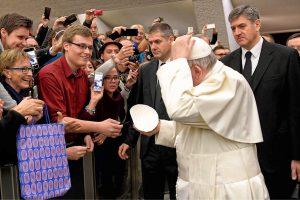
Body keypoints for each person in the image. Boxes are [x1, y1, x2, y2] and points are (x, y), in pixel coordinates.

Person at [137, 35, 269, 199]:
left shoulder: (228, 82)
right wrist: (159, 128)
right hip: (201, 182)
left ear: (197, 71)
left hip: (226, 186)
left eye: (184, 75)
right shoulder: (211, 78)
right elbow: (201, 126)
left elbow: (179, 110)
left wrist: (176, 65)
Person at [37, 24, 133, 198]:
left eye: (89, 47)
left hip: (79, 149)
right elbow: (61, 123)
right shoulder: (49, 74)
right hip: (55, 154)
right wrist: (98, 127)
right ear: (66, 45)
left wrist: (92, 105)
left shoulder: (82, 75)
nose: (87, 52)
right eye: (81, 46)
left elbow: (81, 112)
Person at [221, 5, 300, 198]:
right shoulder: (226, 63)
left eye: (242, 26)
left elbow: (295, 108)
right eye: (233, 28)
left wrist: (297, 156)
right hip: (240, 154)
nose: (237, 32)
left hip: (278, 153)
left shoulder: (285, 56)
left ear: (257, 24)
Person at [118, 23, 178, 200]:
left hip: (177, 147)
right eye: (151, 42)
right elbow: (137, 107)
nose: (154, 46)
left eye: (158, 41)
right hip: (150, 147)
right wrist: (129, 140)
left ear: (171, 40)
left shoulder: (185, 68)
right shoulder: (146, 69)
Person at [93, 67, 127, 199]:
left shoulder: (119, 97)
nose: (113, 81)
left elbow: (123, 121)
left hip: (117, 145)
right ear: (101, 80)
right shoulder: (96, 95)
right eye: (108, 78)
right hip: (99, 148)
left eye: (116, 77)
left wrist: (108, 131)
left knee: (118, 182)